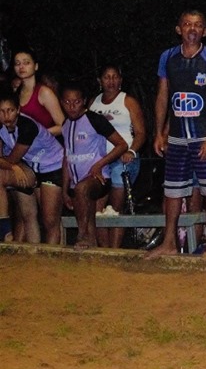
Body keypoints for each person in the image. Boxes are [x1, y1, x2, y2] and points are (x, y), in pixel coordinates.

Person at [149, 10, 206, 258]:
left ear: (205, 31)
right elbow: (163, 96)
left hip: (203, 135)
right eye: (187, 24)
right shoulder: (168, 57)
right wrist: (159, 133)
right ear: (179, 29)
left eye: (197, 25)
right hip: (176, 136)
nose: (192, 29)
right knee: (172, 191)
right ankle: (170, 242)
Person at [59, 82, 127, 250]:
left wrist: (99, 165)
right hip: (77, 182)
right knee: (89, 220)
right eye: (67, 102)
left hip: (99, 179)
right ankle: (92, 254)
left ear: (83, 101)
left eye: (76, 102)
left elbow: (121, 144)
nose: (72, 106)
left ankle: (82, 236)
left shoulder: (94, 119)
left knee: (82, 190)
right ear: (61, 102)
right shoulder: (65, 125)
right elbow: (67, 158)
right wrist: (64, 190)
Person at [89, 64, 147, 248]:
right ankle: (104, 251)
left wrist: (131, 151)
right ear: (100, 80)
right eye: (107, 77)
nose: (111, 81)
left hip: (124, 158)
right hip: (99, 160)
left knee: (115, 208)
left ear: (120, 80)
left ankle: (115, 250)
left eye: (115, 77)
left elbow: (141, 133)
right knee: (96, 208)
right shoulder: (93, 103)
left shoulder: (128, 101)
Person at [0, 89, 64, 245]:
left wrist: (13, 166)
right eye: (2, 111)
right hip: (29, 167)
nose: (6, 116)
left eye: (10, 110)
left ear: (18, 110)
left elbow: (12, 158)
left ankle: (55, 258)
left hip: (52, 167)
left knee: (50, 220)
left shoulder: (27, 126)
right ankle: (10, 234)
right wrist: (13, 167)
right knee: (28, 215)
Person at [13, 49, 64, 137]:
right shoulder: (14, 92)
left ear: (36, 66)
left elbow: (63, 126)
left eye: (26, 63)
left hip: (47, 146)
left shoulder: (44, 92)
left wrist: (37, 135)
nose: (21, 67)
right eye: (17, 63)